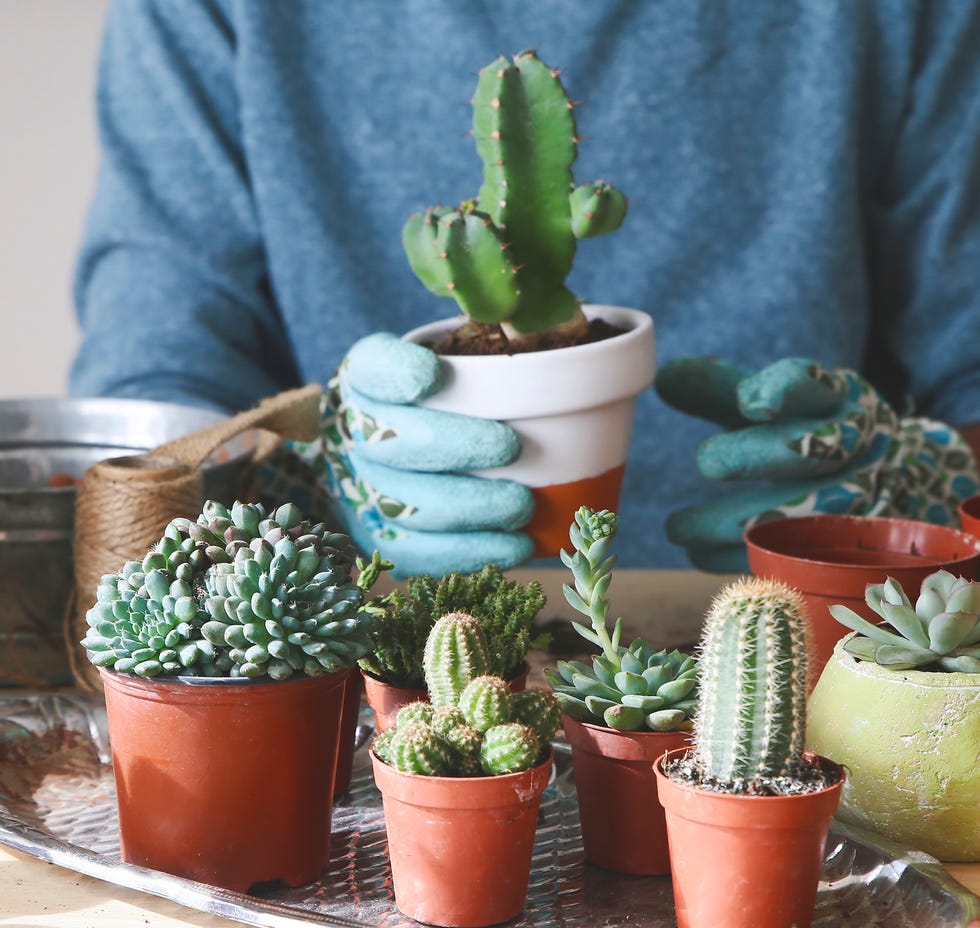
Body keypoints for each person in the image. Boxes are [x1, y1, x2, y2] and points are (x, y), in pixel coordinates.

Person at [70, 0, 980, 575]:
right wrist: (312, 489)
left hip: (817, 679)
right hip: (367, 689)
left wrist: (929, 494)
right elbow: (150, 410)